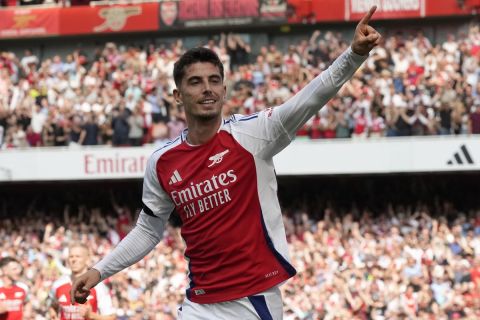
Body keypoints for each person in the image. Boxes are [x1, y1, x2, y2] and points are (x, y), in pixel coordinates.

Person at [71, 6, 381, 319]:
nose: (206, 88)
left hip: (254, 302)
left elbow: (311, 96)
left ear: (223, 89)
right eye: (195, 82)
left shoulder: (254, 133)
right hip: (199, 304)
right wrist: (98, 271)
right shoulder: (162, 162)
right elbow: (148, 231)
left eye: (213, 81)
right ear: (178, 96)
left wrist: (353, 54)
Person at [50, 244, 115, 320]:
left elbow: (111, 317)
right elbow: (53, 305)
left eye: (78, 256)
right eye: (71, 256)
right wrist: (53, 313)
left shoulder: (98, 286)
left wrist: (91, 315)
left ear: (87, 260)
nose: (74, 260)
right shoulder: (58, 284)